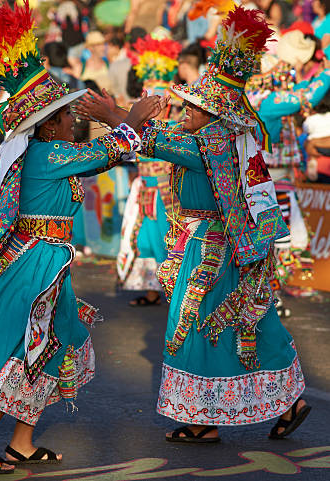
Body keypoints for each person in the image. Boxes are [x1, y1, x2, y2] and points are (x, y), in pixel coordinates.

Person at [0, 2, 162, 473]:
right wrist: (135, 115)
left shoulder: (42, 151)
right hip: (34, 265)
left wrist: (126, 122)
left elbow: (111, 150)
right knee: (24, 349)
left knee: (58, 342)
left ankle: (21, 441)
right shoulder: (47, 155)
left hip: (47, 262)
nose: (71, 121)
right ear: (46, 125)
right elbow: (115, 149)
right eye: (64, 116)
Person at [112, 7, 309, 441]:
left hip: (211, 248)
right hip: (225, 243)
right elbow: (168, 140)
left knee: (195, 321)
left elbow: (158, 142)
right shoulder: (220, 140)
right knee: (246, 320)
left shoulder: (213, 145)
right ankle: (278, 401)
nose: (186, 112)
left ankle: (204, 418)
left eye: (194, 108)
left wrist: (117, 120)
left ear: (213, 113)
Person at [246, 34, 330, 311]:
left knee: (276, 242)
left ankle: (266, 297)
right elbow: (308, 93)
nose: (290, 81)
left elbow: (304, 88)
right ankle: (267, 298)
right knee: (277, 242)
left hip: (272, 181)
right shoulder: (269, 102)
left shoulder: (261, 98)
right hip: (270, 183)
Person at [116, 35, 182, 306]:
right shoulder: (143, 127)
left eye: (158, 103)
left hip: (166, 189)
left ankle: (175, 290)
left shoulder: (175, 128)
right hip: (145, 186)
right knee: (144, 239)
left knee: (168, 237)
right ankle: (153, 289)